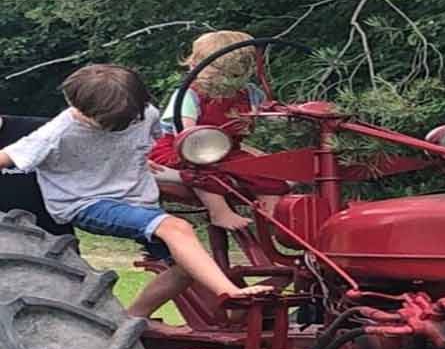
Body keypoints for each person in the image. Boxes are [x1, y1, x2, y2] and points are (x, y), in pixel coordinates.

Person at [0, 63, 271, 319]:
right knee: (176, 228)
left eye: (130, 119)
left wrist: (147, 158)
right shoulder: (56, 132)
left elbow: (152, 142)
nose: (124, 125)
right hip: (86, 203)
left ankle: (131, 320)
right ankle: (232, 293)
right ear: (78, 105)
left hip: (138, 200)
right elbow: (7, 157)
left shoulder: (145, 114)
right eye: (107, 123)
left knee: (184, 266)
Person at [150, 30, 289, 231]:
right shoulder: (190, 95)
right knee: (204, 172)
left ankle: (273, 220)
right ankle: (219, 212)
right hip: (188, 150)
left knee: (267, 173)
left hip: (228, 152)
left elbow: (269, 118)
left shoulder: (250, 93)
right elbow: (188, 135)